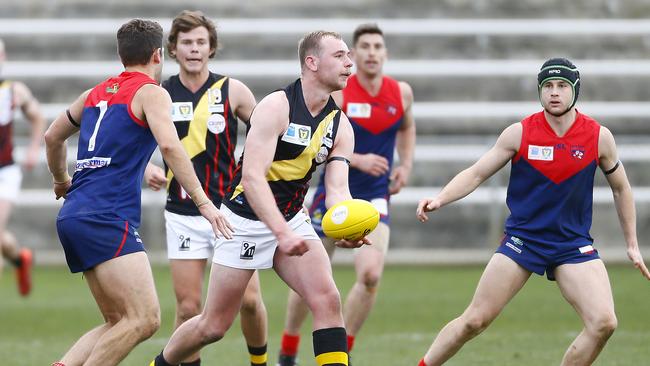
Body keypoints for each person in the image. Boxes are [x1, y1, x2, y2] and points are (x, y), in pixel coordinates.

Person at [152, 30, 369, 366]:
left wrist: (346, 223)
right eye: (340, 55)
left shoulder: (341, 127)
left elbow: (338, 190)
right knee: (213, 325)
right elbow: (252, 179)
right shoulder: (276, 106)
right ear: (311, 62)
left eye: (348, 56)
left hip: (292, 218)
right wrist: (281, 232)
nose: (349, 63)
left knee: (327, 300)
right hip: (244, 221)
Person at [415, 58, 650, 366]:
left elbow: (622, 188)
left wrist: (631, 243)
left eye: (562, 86)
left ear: (575, 90)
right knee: (474, 321)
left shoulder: (598, 137)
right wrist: (440, 199)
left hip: (571, 245)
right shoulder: (520, 133)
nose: (554, 93)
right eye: (548, 86)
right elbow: (475, 173)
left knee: (604, 323)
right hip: (523, 241)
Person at [44, 19, 233, 366]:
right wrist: (204, 202)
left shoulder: (93, 94)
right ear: (158, 55)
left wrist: (60, 179)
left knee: (118, 320)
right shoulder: (151, 93)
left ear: (120, 54)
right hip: (107, 214)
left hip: (74, 213)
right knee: (144, 319)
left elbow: (52, 137)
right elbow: (171, 147)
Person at [277, 23, 415, 366]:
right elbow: (316, 139)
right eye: (363, 47)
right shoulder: (340, 92)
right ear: (353, 54)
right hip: (332, 195)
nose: (370, 53)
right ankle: (288, 348)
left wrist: (406, 164)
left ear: (385, 54)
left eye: (377, 47)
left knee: (369, 276)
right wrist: (359, 159)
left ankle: (343, 349)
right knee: (309, 280)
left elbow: (408, 126)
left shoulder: (402, 93)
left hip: (374, 198)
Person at [143, 10, 268, 366]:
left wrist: (254, 176)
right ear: (173, 48)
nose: (194, 48)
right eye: (186, 42)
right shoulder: (160, 93)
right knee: (187, 307)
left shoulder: (233, 90)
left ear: (211, 48)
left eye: (201, 42)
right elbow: (132, 143)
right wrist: (146, 169)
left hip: (231, 212)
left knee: (248, 300)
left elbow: (268, 136)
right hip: (183, 212)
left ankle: (259, 362)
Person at [0, 38, 44, 297]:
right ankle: (20, 259)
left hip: (5, 172)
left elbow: (38, 116)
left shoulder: (14, 91)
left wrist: (33, 148)